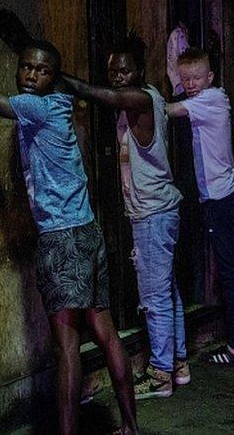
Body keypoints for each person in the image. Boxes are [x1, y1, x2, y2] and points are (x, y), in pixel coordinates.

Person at [0, 5, 138, 435]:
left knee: (66, 349)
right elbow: (45, 66)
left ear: (51, 76)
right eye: (25, 67)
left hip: (61, 239)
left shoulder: (35, 108)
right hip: (87, 232)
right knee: (106, 331)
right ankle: (131, 428)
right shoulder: (60, 100)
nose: (28, 76)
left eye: (39, 71)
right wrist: (17, 33)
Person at [62, 32, 189, 400]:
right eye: (112, 72)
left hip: (153, 211)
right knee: (167, 290)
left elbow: (103, 96)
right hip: (158, 208)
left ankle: (160, 373)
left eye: (123, 70)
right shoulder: (146, 97)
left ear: (137, 71)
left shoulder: (139, 98)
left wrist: (62, 77)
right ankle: (177, 364)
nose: (117, 77)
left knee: (154, 294)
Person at [165, 48, 234, 365]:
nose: (190, 83)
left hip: (221, 202)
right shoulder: (213, 97)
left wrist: (145, 98)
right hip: (233, 196)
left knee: (231, 274)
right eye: (185, 78)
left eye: (196, 78)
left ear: (210, 77)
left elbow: (168, 110)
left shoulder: (209, 100)